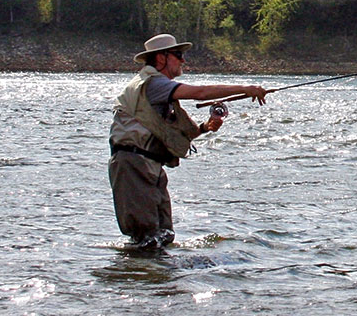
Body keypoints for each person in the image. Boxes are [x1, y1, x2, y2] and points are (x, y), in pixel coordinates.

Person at [108, 33, 268, 248]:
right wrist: (245, 89)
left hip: (148, 166)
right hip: (134, 165)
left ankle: (156, 278)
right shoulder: (153, 83)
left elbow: (167, 130)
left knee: (162, 236)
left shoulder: (158, 88)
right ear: (161, 58)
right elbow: (199, 92)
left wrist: (204, 128)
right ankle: (140, 278)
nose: (183, 60)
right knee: (145, 238)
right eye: (178, 55)